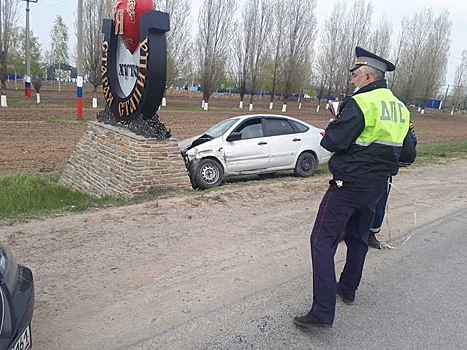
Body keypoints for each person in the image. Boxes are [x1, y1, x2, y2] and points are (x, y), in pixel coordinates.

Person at [294, 46, 416, 328]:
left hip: (348, 186)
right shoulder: (400, 108)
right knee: (359, 238)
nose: (352, 81)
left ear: (368, 77)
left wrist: (336, 119)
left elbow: (332, 142)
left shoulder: (359, 103)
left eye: (355, 75)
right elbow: (409, 155)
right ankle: (347, 290)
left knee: (321, 242)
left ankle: (322, 312)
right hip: (377, 187)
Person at [368, 121, 417, 249]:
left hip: (371, 168)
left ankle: (369, 233)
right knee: (373, 202)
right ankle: (359, 232)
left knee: (376, 204)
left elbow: (409, 146)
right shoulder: (399, 110)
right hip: (380, 168)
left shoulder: (399, 112)